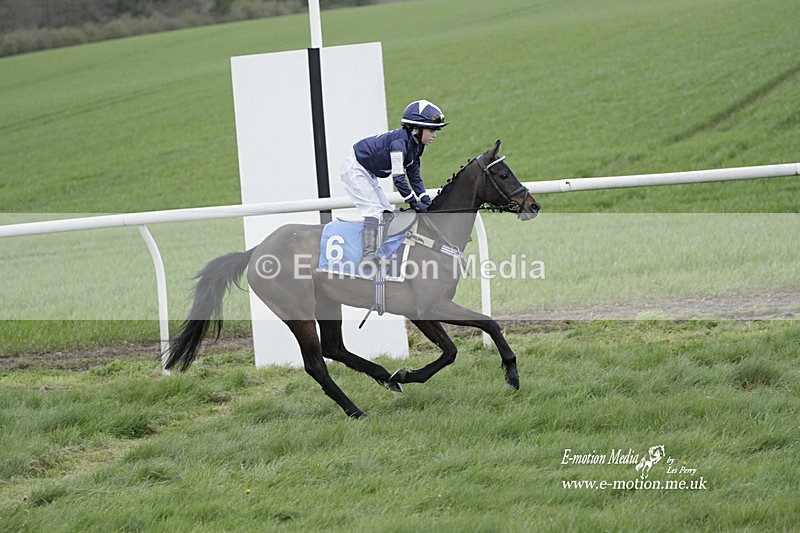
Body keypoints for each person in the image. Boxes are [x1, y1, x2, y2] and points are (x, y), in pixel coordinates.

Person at [340, 99, 449, 261]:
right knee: (374, 213)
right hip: (355, 167)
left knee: (387, 214)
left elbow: (414, 174)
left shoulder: (417, 145)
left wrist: (425, 199)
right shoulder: (399, 144)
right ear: (416, 129)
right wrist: (412, 201)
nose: (434, 135)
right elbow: (398, 177)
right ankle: (368, 257)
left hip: (368, 171)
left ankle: (381, 251)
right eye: (431, 130)